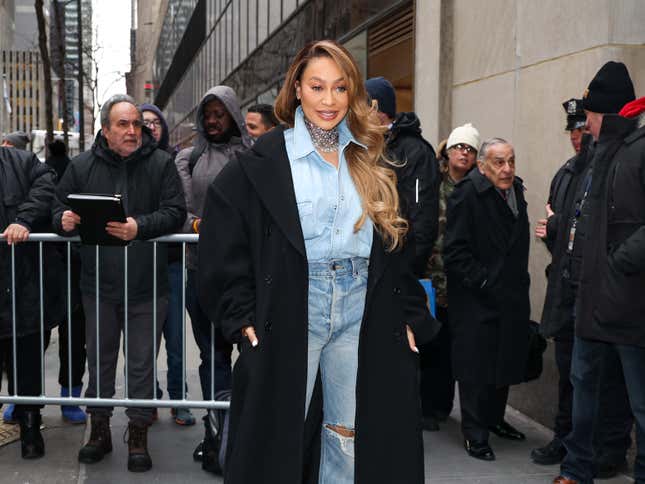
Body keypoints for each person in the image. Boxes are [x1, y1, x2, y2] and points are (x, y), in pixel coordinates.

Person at [197, 40, 438, 483]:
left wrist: (407, 314)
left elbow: (395, 250)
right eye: (317, 86)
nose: (329, 100)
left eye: (340, 88)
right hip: (293, 308)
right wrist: (239, 314)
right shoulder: (265, 160)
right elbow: (220, 240)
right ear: (297, 90)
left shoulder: (371, 157)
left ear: (353, 94)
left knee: (347, 433)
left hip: (362, 310)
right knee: (279, 436)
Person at [52, 94, 186, 473]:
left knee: (143, 365)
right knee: (100, 363)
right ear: (106, 130)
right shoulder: (80, 166)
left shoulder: (162, 164)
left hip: (148, 287)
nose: (132, 131)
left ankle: (139, 433)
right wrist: (62, 219)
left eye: (136, 125)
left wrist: (138, 227)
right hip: (98, 287)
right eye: (123, 125)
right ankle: (99, 431)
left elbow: (175, 212)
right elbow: (56, 206)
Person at [553, 62, 645, 484]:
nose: (583, 124)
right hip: (588, 297)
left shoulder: (639, 150)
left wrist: (618, 263)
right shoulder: (592, 158)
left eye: (588, 115)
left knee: (639, 401)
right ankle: (577, 469)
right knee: (582, 387)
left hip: (628, 301)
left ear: (605, 114)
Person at [533, 98, 633, 477]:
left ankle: (607, 450)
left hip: (604, 293)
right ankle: (568, 441)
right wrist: (553, 231)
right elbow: (569, 231)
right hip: (570, 290)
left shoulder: (608, 165)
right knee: (573, 375)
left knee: (610, 381)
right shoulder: (568, 172)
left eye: (582, 126)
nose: (578, 135)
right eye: (572, 130)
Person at [174, 85, 252, 474]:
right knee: (212, 356)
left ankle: (247, 433)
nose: (212, 120)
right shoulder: (187, 158)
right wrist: (199, 224)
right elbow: (183, 211)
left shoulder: (254, 156)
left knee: (250, 355)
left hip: (246, 276)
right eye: (207, 113)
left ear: (234, 114)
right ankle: (216, 433)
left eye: (220, 113)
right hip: (200, 272)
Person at [444, 137, 530, 461]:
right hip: (477, 298)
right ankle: (475, 433)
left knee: (503, 361)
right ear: (482, 166)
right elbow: (454, 250)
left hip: (510, 296)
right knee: (476, 369)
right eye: (498, 162)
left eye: (511, 161)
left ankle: (495, 420)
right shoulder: (467, 194)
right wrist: (482, 280)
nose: (507, 169)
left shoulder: (516, 190)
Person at [0, 143, 63, 459]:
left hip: (23, 285)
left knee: (27, 362)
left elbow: (46, 185)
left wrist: (23, 220)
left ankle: (30, 430)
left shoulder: (21, 161)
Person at [140, 103, 195, 427]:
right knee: (145, 341)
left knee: (175, 339)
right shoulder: (132, 164)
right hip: (142, 264)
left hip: (172, 263)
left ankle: (179, 398)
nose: (149, 127)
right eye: (143, 121)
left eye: (154, 122)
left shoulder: (176, 160)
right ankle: (149, 398)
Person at [423, 123, 480, 431]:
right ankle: (431, 408)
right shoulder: (433, 184)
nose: (464, 153)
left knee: (454, 350)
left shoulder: (477, 188)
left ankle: (444, 407)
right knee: (433, 346)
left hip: (462, 284)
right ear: (447, 152)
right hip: (432, 279)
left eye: (470, 149)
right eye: (459, 147)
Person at [365, 76, 439, 277]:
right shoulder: (366, 147)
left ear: (377, 110)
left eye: (362, 108)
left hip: (399, 269)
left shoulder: (415, 152)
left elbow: (422, 216)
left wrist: (407, 271)